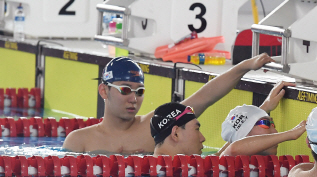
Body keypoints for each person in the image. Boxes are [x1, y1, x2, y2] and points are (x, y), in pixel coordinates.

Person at [62, 53, 273, 154]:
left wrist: (244, 66)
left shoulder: (155, 125)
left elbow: (205, 97)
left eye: (140, 91)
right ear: (103, 90)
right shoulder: (79, 141)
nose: (133, 98)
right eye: (125, 90)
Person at [218, 81, 306, 156]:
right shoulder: (222, 164)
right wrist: (290, 134)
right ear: (245, 134)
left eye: (272, 125)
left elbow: (238, 136)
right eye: (265, 124)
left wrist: (264, 108)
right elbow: (234, 148)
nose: (275, 132)